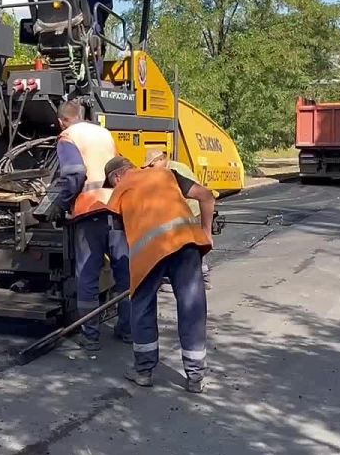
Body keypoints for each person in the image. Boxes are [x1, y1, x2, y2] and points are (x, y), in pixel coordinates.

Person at [104, 155, 215, 393]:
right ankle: (195, 377)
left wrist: (125, 277)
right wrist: (207, 232)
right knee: (192, 307)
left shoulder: (120, 190)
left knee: (142, 307)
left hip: (149, 254)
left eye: (111, 182)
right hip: (187, 245)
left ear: (117, 177)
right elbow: (207, 196)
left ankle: (143, 372)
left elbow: (118, 241)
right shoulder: (167, 174)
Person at [47, 100, 131, 351]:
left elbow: (74, 173)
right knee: (124, 273)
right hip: (116, 209)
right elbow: (119, 168)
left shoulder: (68, 136)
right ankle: (127, 329)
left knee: (88, 275)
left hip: (89, 212)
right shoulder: (104, 133)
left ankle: (91, 336)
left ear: (62, 120)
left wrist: (59, 204)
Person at [144, 149, 213, 289]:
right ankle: (197, 276)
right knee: (193, 243)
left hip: (190, 209)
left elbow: (199, 194)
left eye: (152, 165)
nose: (150, 170)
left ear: (161, 160)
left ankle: (201, 277)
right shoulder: (170, 168)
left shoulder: (174, 171)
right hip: (188, 209)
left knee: (193, 243)